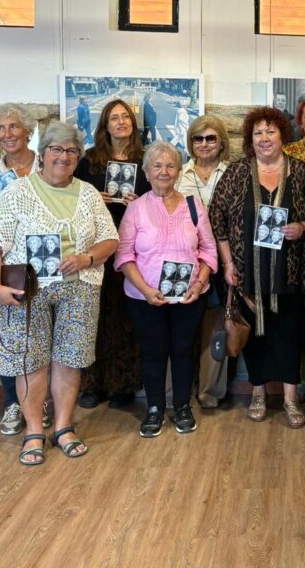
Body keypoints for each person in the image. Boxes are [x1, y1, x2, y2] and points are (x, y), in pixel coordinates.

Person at [0, 122, 118, 464]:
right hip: (27, 290)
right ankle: (34, 431)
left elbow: (111, 239)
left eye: (71, 151)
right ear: (43, 154)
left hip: (79, 288)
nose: (64, 156)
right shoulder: (17, 192)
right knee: (31, 361)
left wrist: (86, 258)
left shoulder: (87, 194)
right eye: (57, 149)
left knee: (69, 360)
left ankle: (64, 426)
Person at [210, 107, 305, 428]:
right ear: (250, 139)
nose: (264, 138)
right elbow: (218, 219)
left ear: (283, 135)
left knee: (288, 336)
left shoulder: (300, 172)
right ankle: (257, 394)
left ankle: (290, 399)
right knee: (254, 337)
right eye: (258, 133)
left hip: (290, 272)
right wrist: (227, 263)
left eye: (271, 132)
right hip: (246, 273)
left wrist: (303, 227)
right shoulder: (237, 173)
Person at [115, 142, 217, 438]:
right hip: (145, 298)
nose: (164, 171)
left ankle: (183, 406)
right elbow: (124, 256)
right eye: (157, 166)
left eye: (170, 165)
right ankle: (155, 408)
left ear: (178, 171)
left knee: (184, 351)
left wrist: (199, 284)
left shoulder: (193, 206)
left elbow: (209, 250)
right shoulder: (135, 209)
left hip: (189, 297)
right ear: (146, 172)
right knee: (153, 352)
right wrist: (146, 289)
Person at [75, 100, 150, 410]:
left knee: (126, 317)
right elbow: (74, 200)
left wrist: (139, 201)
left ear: (133, 123)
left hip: (132, 245)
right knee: (93, 316)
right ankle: (92, 384)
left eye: (125, 117)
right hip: (94, 246)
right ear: (104, 125)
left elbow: (157, 202)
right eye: (114, 118)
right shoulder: (89, 162)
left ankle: (123, 385)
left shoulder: (145, 161)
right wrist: (96, 199)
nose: (121, 122)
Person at [176, 114, 231, 410]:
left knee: (216, 326)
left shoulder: (233, 173)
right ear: (191, 143)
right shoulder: (178, 174)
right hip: (186, 261)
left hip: (223, 260)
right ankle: (180, 392)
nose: (205, 144)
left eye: (211, 138)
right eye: (199, 138)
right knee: (183, 329)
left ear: (221, 141)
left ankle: (210, 391)